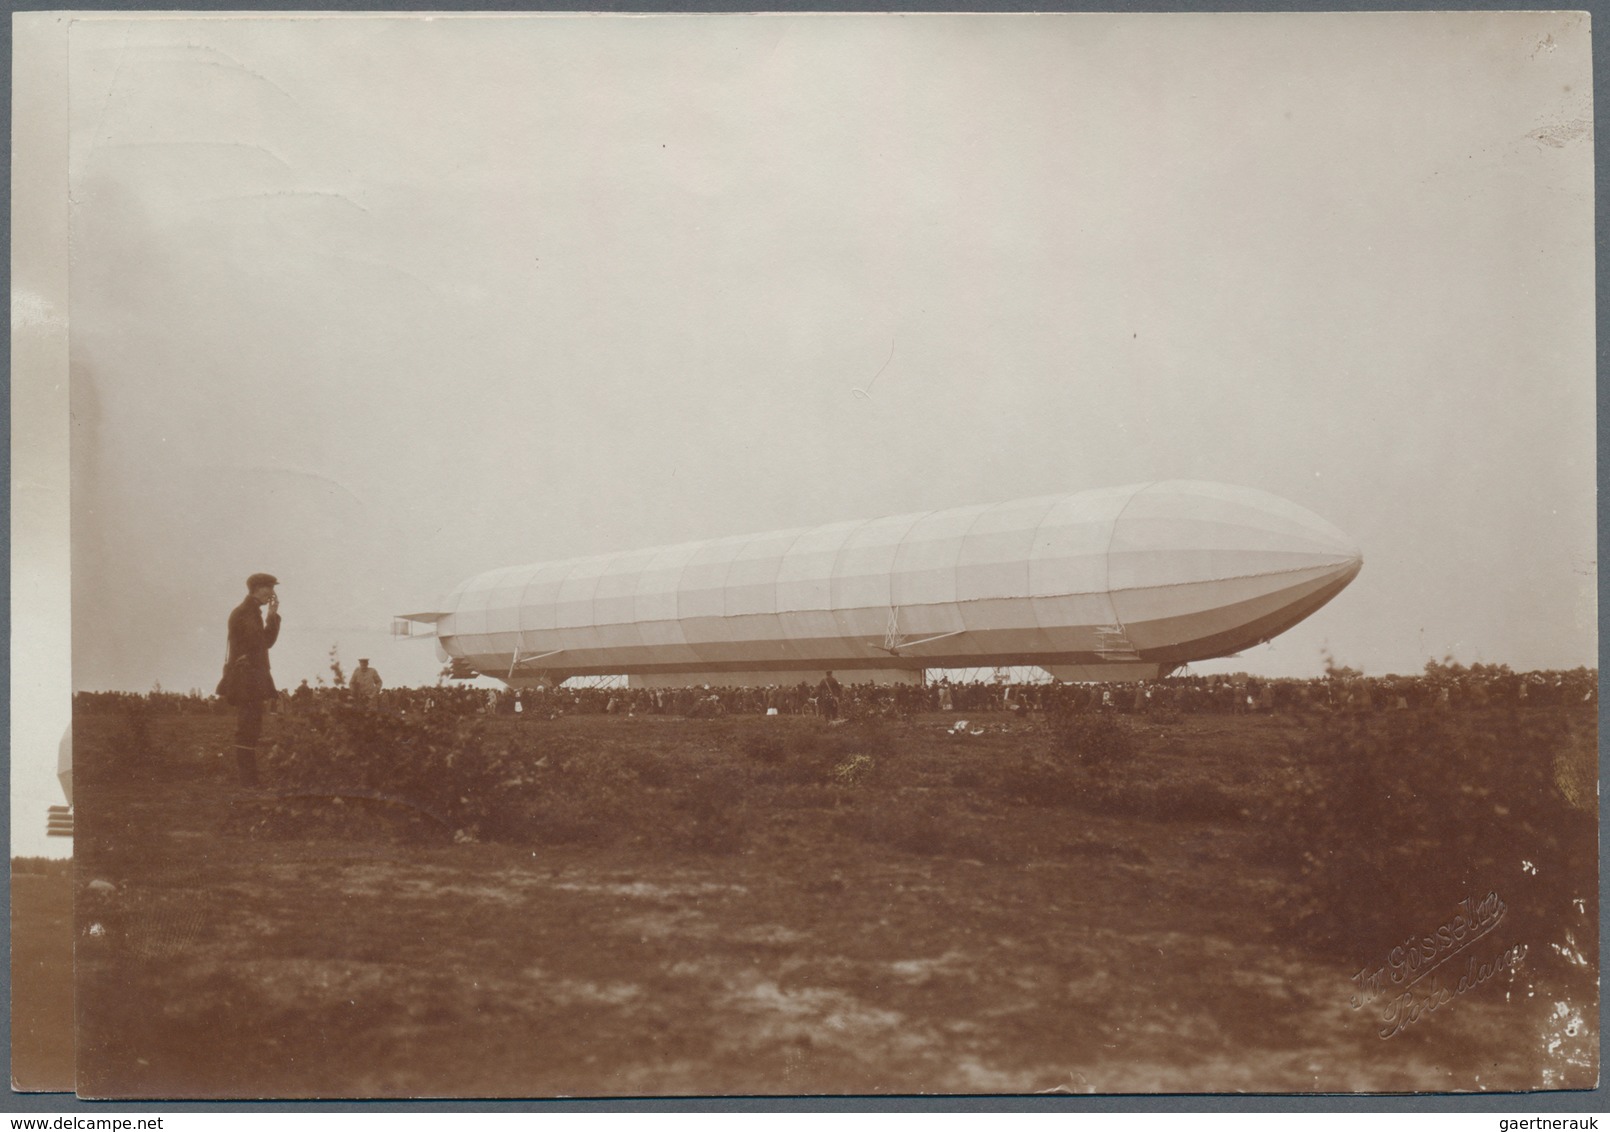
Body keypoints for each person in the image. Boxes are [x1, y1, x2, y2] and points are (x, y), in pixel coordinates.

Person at [223, 573, 281, 786]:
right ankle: (248, 781)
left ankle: (249, 779)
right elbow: (260, 642)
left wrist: (272, 616)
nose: (272, 593)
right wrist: (270, 617)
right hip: (246, 679)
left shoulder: (251, 612)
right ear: (257, 588)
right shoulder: (246, 612)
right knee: (247, 727)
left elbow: (264, 642)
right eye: (269, 588)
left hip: (251, 679)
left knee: (252, 726)